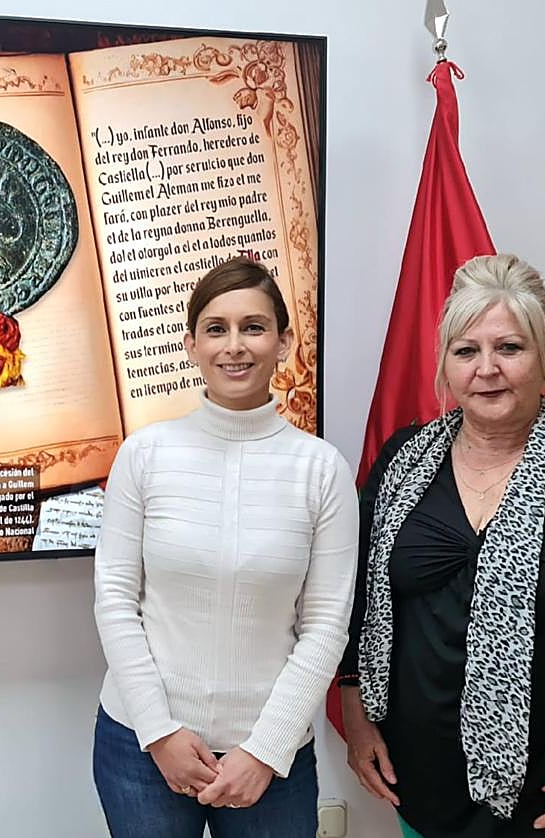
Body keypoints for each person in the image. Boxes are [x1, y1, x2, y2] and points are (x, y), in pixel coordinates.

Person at [92, 256, 359, 838]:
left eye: (253, 327)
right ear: (191, 344)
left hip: (270, 756)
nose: (234, 346)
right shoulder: (144, 455)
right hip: (142, 748)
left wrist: (265, 750)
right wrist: (159, 732)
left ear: (283, 342)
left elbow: (326, 626)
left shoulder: (321, 470)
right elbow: (114, 600)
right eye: (216, 328)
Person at [338, 253, 545, 838]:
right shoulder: (402, 461)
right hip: (419, 785)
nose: (487, 369)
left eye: (509, 348)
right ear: (445, 362)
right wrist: (356, 715)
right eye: (467, 351)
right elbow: (355, 598)